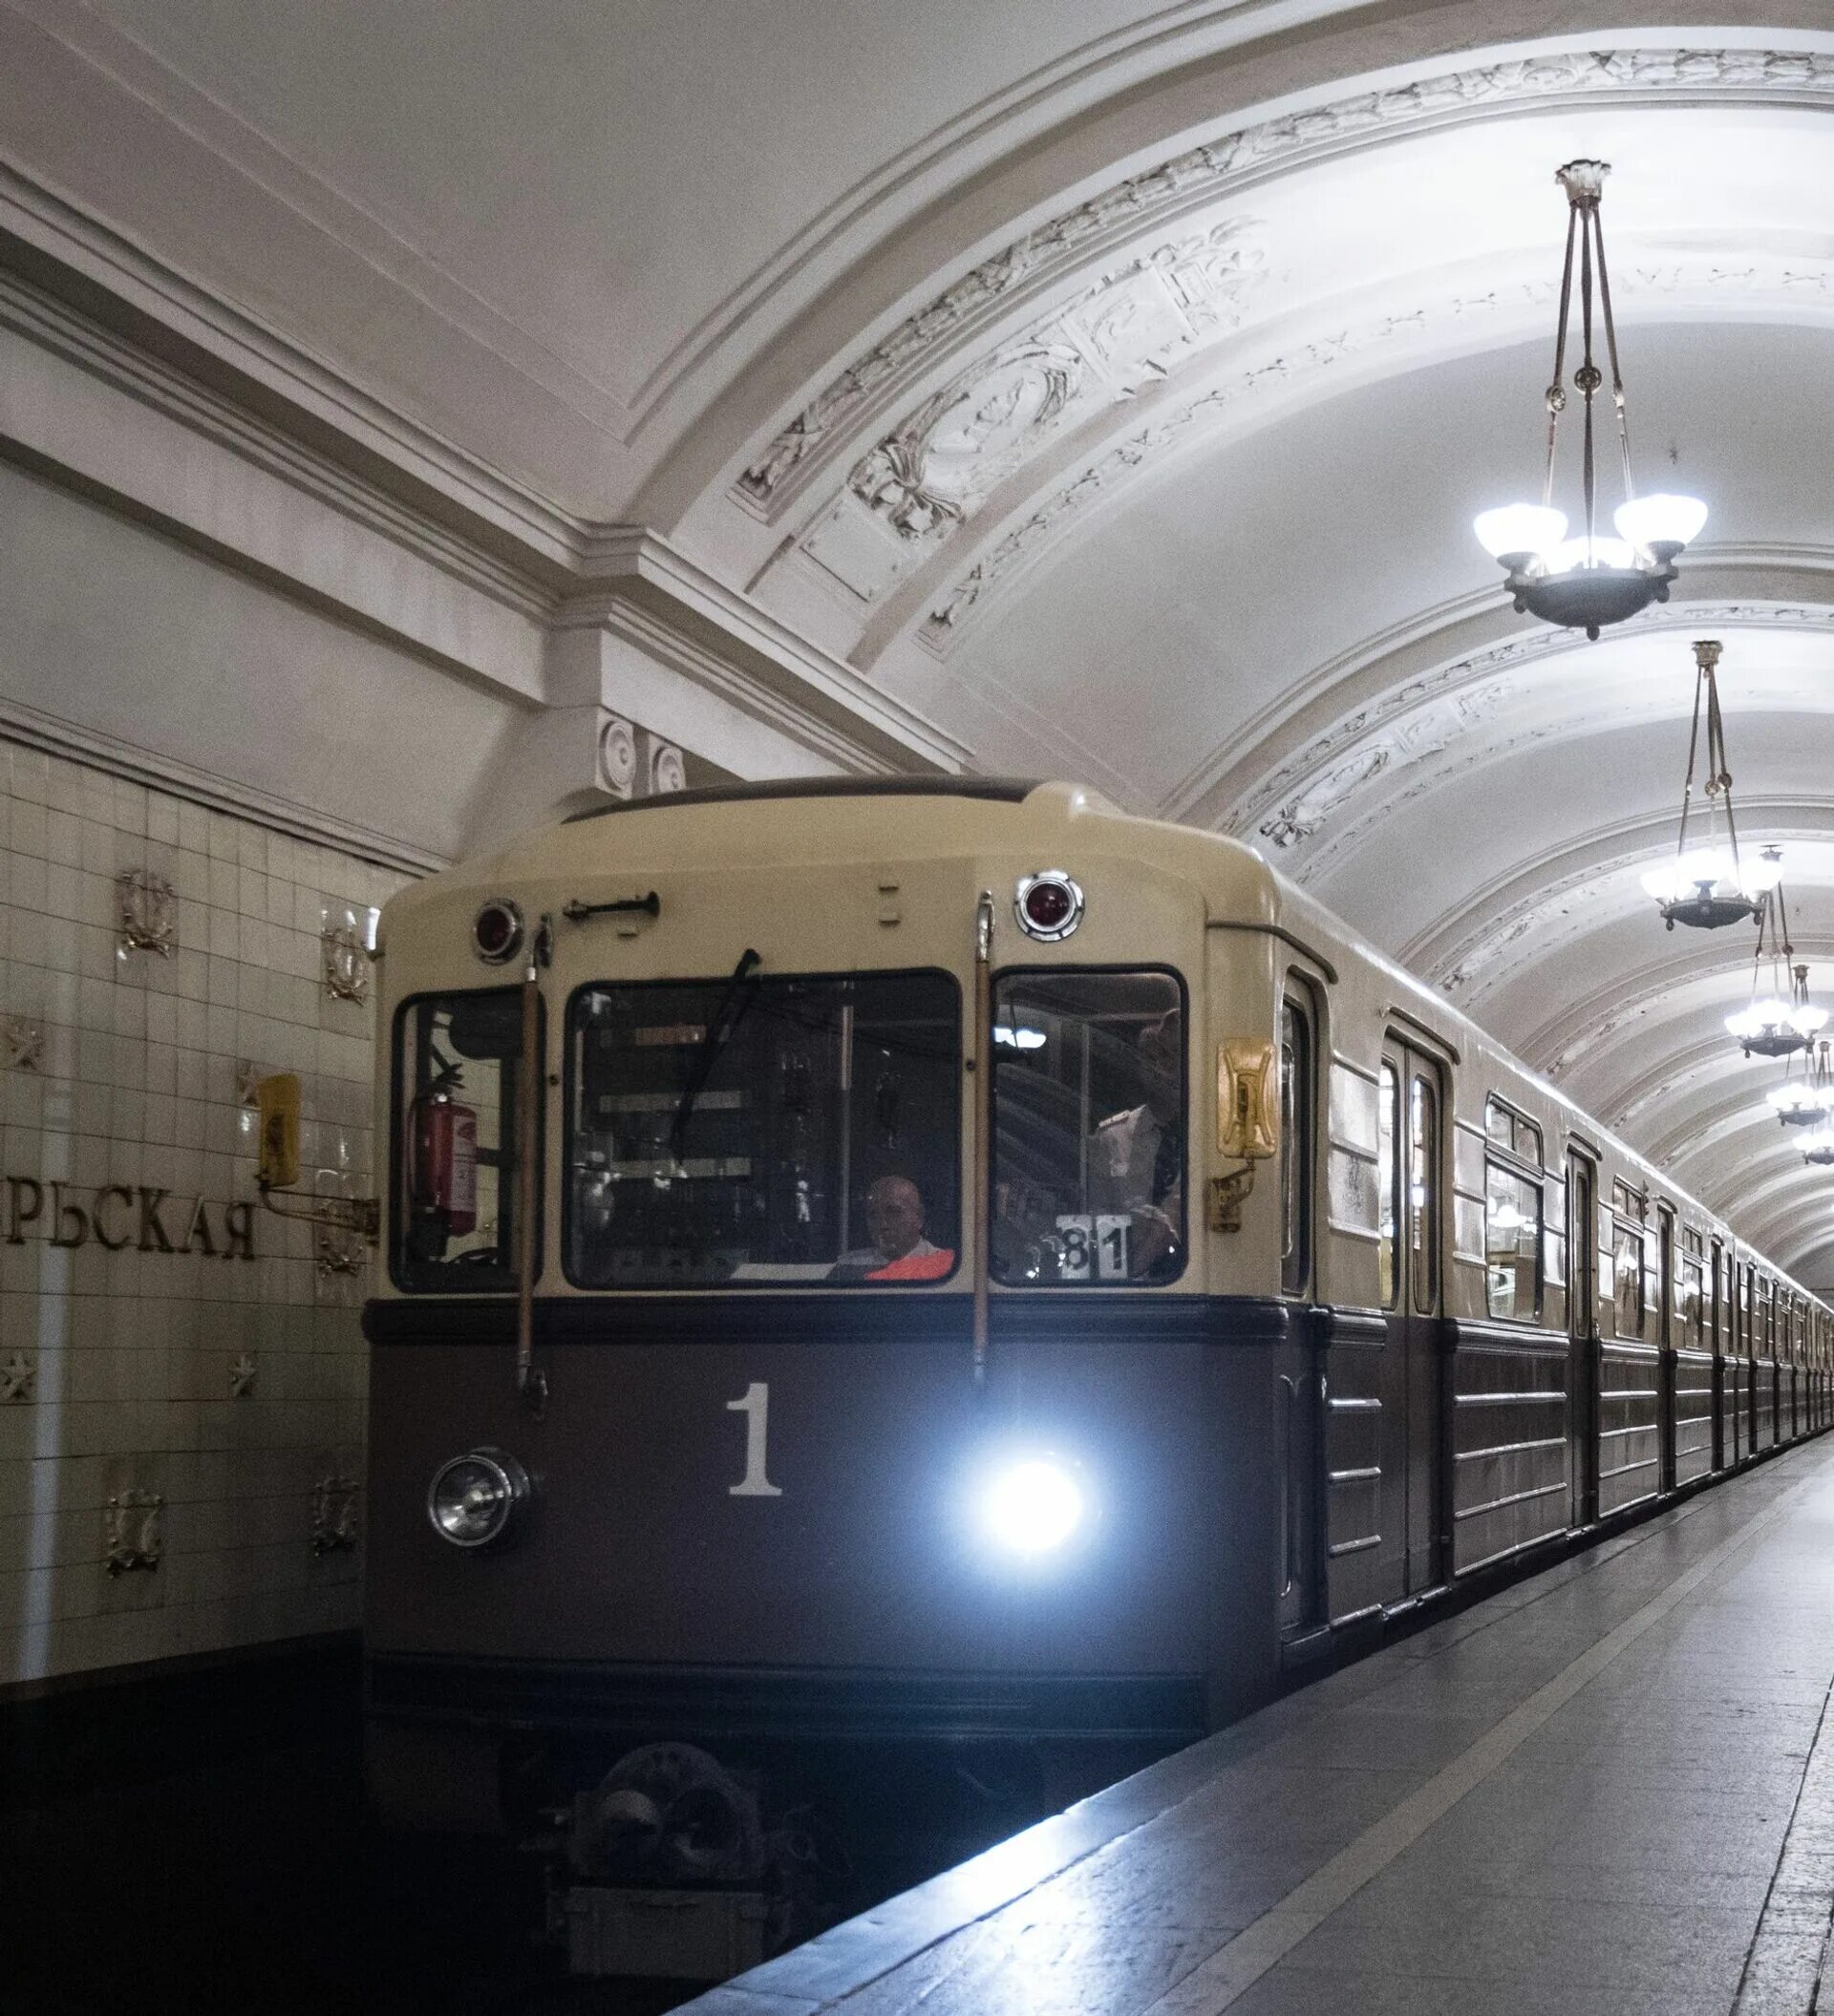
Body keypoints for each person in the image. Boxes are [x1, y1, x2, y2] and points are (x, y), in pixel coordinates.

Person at [1088, 1009, 1184, 1276]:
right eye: (1149, 1058)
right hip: (1126, 1285)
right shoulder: (1111, 1138)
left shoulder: (1208, 1140)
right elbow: (1098, 1218)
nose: (1157, 1068)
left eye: (1167, 1058)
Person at [831, 1174, 954, 1282]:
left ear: (919, 1216)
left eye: (894, 1212)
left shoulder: (945, 1265)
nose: (883, 1224)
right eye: (873, 1215)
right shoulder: (848, 1267)